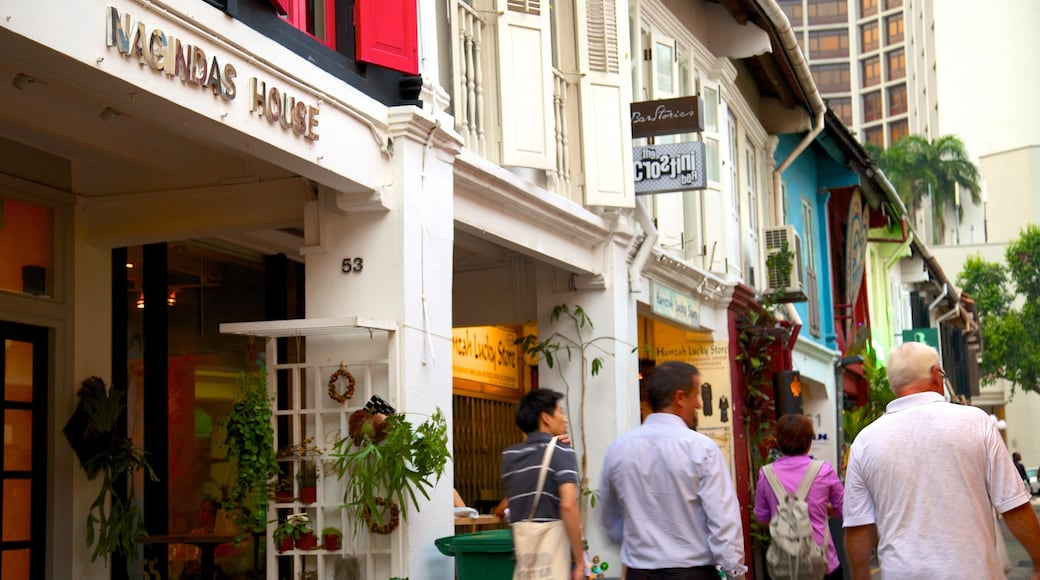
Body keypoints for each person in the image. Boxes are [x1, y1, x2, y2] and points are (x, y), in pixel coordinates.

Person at [844, 342, 1040, 579]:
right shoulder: (977, 423)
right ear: (936, 374)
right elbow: (1013, 504)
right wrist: (1038, 562)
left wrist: (860, 576)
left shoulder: (865, 442)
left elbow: (858, 526)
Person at [600, 360, 746, 580]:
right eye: (695, 396)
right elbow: (724, 520)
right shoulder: (702, 449)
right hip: (692, 572)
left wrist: (640, 545)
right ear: (679, 398)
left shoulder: (619, 449)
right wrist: (734, 572)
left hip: (640, 572)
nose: (698, 404)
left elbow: (609, 518)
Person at [500, 389, 584, 580]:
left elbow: (515, 507)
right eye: (560, 412)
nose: (564, 419)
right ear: (546, 418)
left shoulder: (510, 457)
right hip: (552, 562)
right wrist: (580, 561)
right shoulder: (562, 452)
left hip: (525, 563)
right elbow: (568, 505)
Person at [754, 414, 845, 580]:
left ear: (778, 442)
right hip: (822, 563)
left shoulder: (766, 474)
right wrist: (827, 511)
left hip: (783, 565)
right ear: (809, 442)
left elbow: (762, 519)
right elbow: (845, 509)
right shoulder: (824, 471)